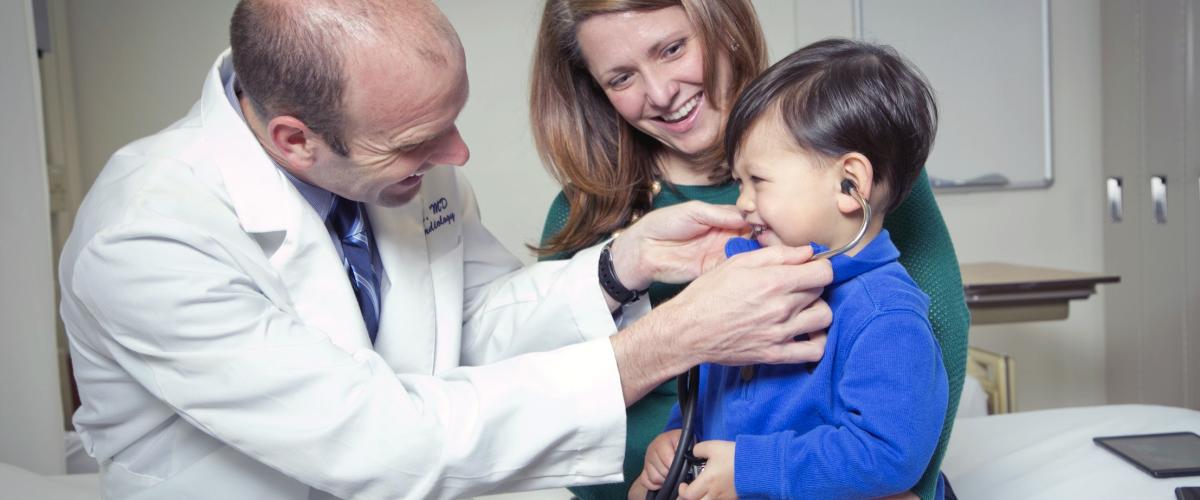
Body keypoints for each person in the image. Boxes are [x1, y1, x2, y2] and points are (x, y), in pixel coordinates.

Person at [56, 1, 837, 499]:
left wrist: (618, 263)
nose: (457, 156)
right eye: (420, 139)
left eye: (451, 119)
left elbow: (476, 323)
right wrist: (667, 343)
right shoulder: (147, 237)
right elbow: (381, 443)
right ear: (295, 140)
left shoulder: (397, 165)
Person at [530, 1, 970, 499]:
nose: (660, 92)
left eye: (672, 49)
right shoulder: (588, 213)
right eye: (621, 78)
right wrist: (673, 454)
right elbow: (562, 408)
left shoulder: (854, 159)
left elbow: (905, 425)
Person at [636, 38, 950, 500]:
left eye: (757, 181)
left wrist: (748, 470)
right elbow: (707, 396)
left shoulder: (885, 315)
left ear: (850, 184)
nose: (742, 203)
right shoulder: (739, 286)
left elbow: (887, 455)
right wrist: (677, 440)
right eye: (738, 182)